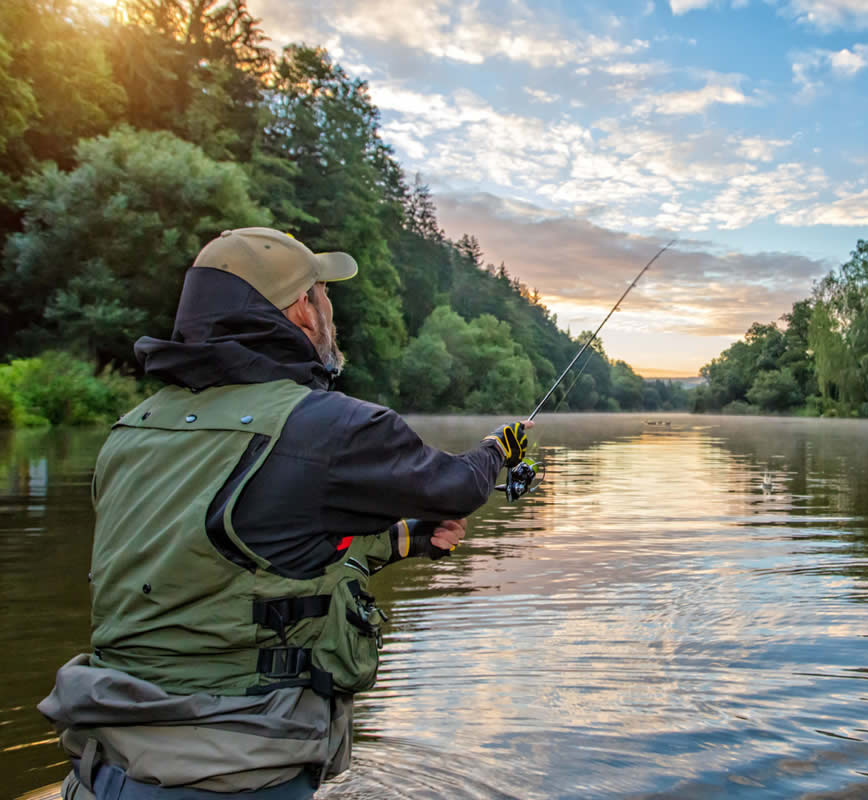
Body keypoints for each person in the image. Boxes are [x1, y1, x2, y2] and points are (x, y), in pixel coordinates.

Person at [38, 227, 533, 798]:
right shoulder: (333, 427)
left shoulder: (133, 431)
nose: (330, 313)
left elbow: (239, 548)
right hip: (236, 773)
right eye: (324, 296)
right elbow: (456, 489)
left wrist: (408, 540)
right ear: (300, 309)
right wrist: (498, 448)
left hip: (101, 770)